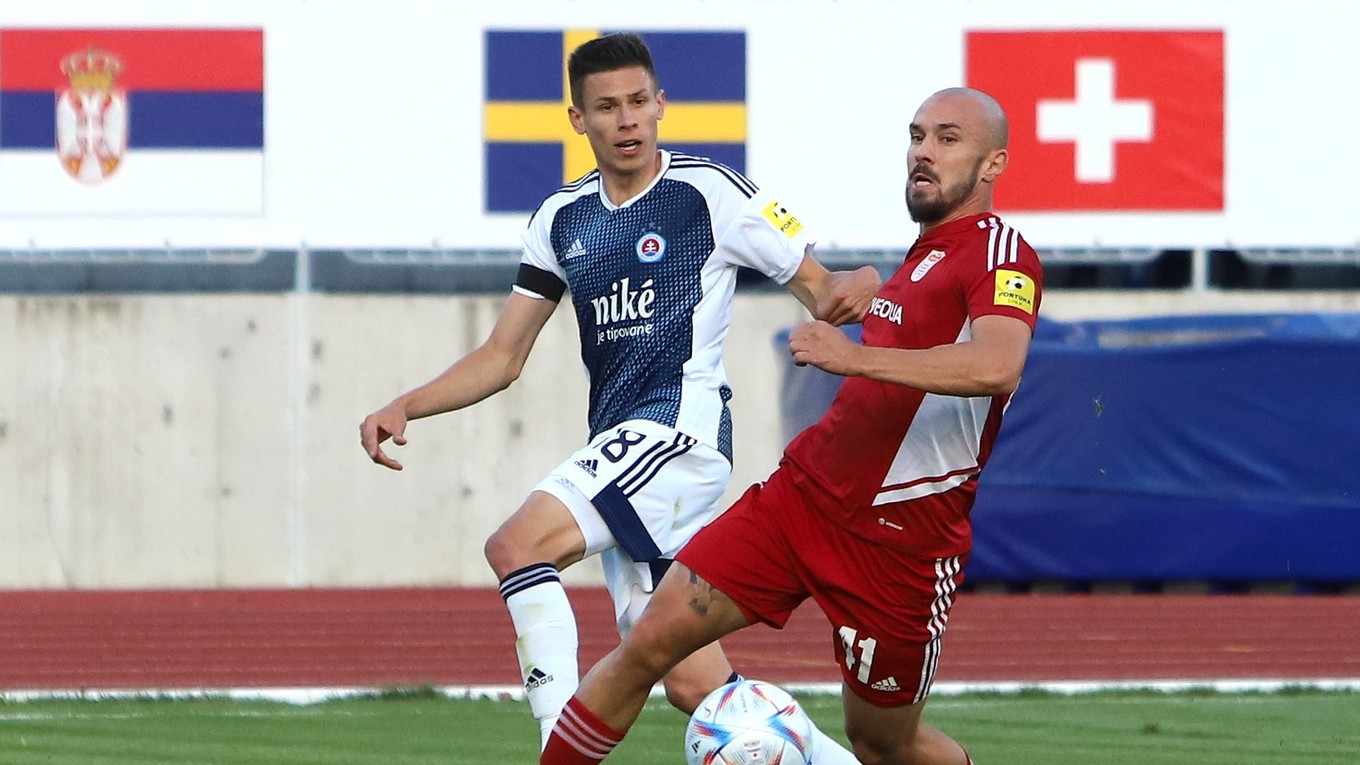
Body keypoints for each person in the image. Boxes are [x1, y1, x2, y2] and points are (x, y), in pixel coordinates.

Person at [358, 32, 877, 760]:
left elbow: (822, 289)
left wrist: (861, 292)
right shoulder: (561, 219)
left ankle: (556, 749)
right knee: (692, 680)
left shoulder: (709, 192)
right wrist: (406, 404)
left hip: (678, 433)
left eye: (639, 102)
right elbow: (503, 356)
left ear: (662, 105)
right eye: (608, 107)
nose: (627, 120)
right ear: (578, 120)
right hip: (622, 447)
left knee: (516, 544)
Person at [539, 86, 1042, 765]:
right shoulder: (921, 256)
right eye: (917, 135)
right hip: (800, 501)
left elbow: (997, 364)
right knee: (650, 641)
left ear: (993, 164)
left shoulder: (1001, 251)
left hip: (899, 542)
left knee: (882, 743)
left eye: (948, 139)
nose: (924, 152)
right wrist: (860, 295)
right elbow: (899, 334)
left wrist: (857, 354)